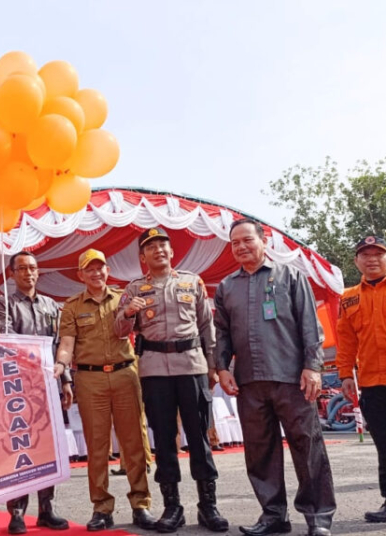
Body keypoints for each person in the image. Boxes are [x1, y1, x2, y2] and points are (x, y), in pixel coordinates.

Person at [213, 218, 336, 536]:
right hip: (250, 382)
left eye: (246, 240)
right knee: (260, 451)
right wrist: (223, 368)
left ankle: (318, 517)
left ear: (263, 240)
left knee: (307, 448)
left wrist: (313, 367)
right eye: (234, 243)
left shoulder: (291, 276)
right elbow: (222, 334)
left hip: (292, 379)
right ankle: (273, 516)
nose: (240, 247)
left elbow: (310, 326)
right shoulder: (226, 287)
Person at [114, 227, 229, 533]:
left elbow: (207, 326)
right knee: (164, 440)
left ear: (171, 251)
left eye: (163, 246)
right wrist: (126, 312)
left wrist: (213, 367)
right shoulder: (135, 288)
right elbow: (116, 330)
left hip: (191, 366)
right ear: (143, 256)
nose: (159, 251)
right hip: (154, 372)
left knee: (200, 437)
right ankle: (172, 507)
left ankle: (208, 506)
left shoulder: (192, 281)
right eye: (151, 247)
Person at [55, 249, 155, 532]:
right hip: (90, 379)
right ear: (81, 275)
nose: (96, 273)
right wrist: (61, 365)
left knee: (133, 442)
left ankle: (141, 504)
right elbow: (67, 343)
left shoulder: (125, 297)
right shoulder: (72, 306)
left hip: (125, 374)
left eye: (100, 268)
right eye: (90, 269)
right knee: (97, 447)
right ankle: (101, 508)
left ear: (107, 271)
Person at [0, 251, 72, 534]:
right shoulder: (4, 304)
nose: (29, 273)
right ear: (12, 273)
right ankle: (17, 511)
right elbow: (8, 341)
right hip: (21, 387)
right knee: (22, 446)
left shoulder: (51, 305)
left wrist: (66, 382)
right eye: (23, 268)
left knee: (48, 446)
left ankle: (46, 509)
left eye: (33, 268)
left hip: (50, 384)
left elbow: (60, 344)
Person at [335, 235, 386, 523]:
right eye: (365, 255)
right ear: (357, 262)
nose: (372, 259)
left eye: (378, 254)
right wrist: (345, 374)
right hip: (372, 383)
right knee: (384, 444)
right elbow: (346, 340)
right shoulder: (349, 296)